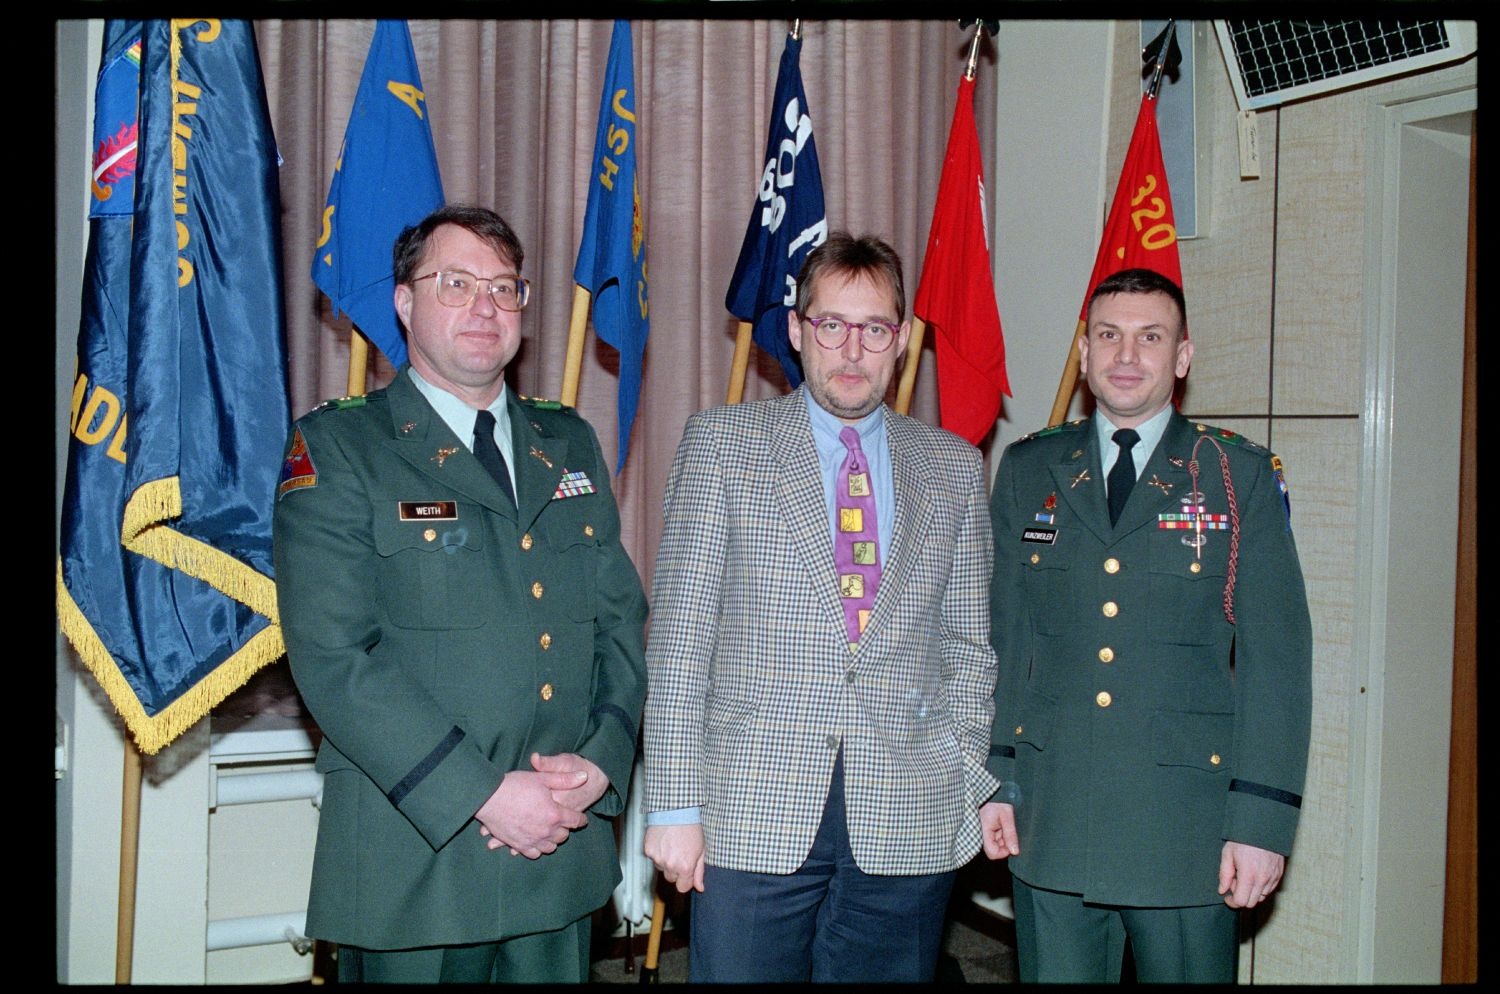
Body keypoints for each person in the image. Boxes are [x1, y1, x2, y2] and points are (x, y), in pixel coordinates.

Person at [273, 204, 647, 983]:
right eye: (455, 283)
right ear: (405, 303)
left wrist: (603, 763)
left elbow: (620, 624)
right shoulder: (342, 447)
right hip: (418, 857)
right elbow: (334, 656)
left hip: (561, 844)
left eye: (505, 287)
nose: (485, 306)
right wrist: (481, 793)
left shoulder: (567, 440)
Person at [641, 232, 1003, 983]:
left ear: (900, 341)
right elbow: (680, 642)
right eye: (831, 324)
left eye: (874, 329)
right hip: (751, 810)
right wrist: (673, 805)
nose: (851, 349)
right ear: (799, 331)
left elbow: (970, 646)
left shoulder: (956, 468)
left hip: (907, 809)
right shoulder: (722, 444)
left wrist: (963, 772)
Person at [981, 267, 1312, 983]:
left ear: (1182, 357)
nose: (1126, 355)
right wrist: (996, 778)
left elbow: (1276, 663)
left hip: (1185, 829)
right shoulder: (1029, 467)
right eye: (1109, 335)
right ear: (1084, 353)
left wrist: (1260, 825)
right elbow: (1007, 640)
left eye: (1149, 337)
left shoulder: (1233, 474)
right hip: (1055, 811)